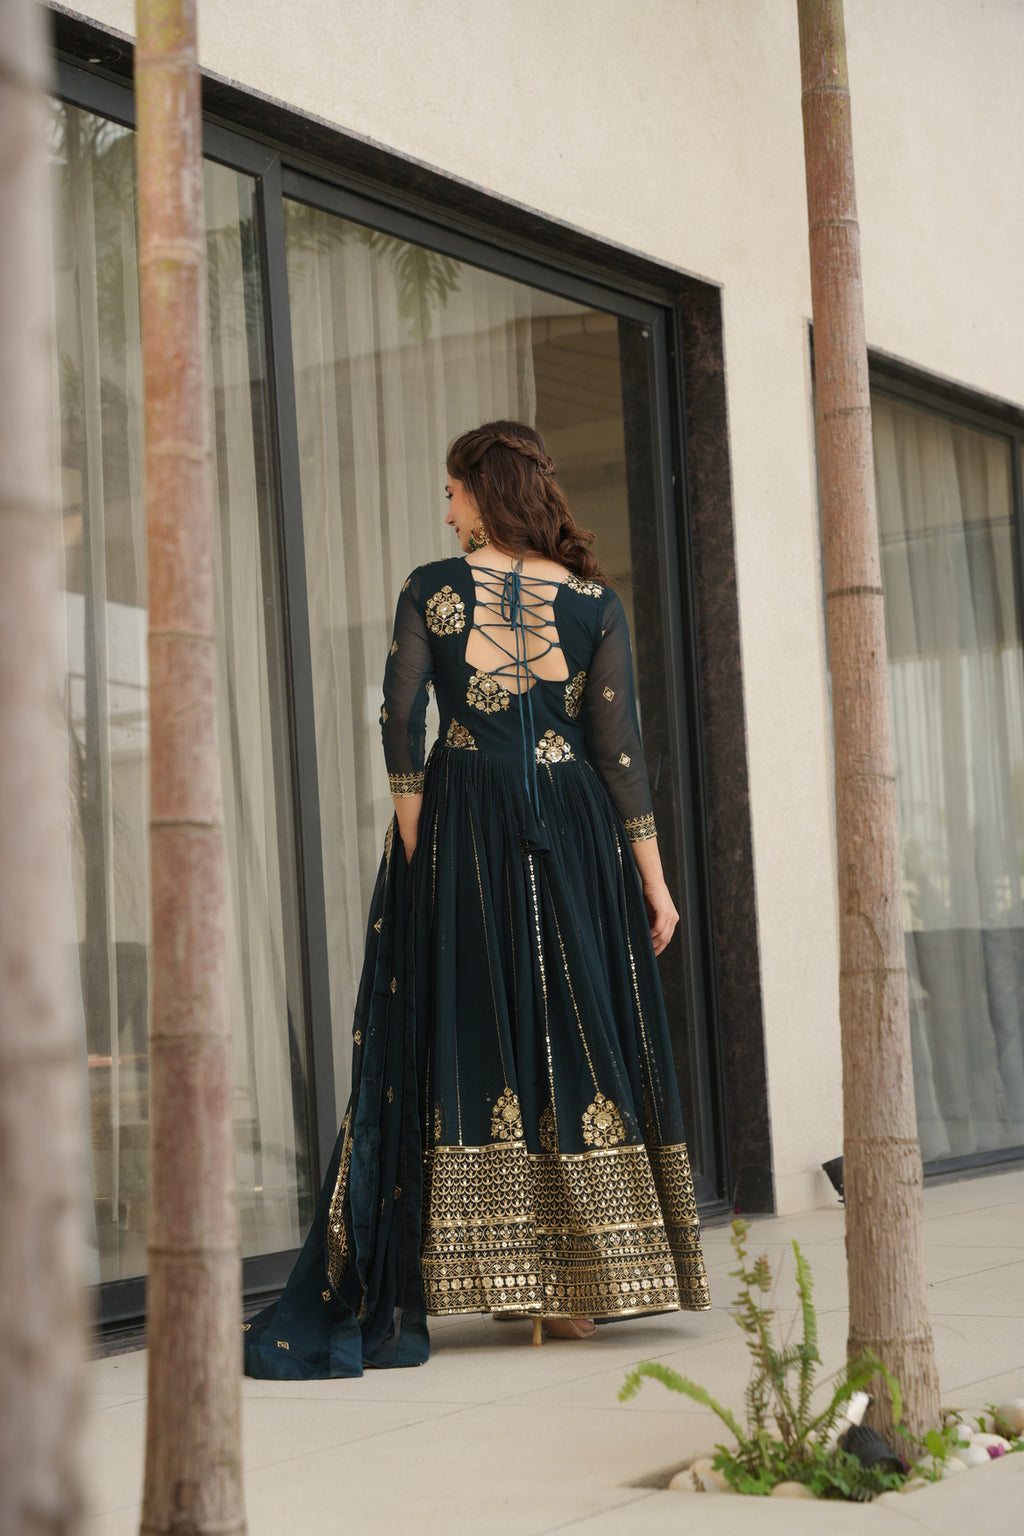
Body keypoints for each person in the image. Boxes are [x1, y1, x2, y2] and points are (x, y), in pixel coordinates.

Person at [244, 420, 710, 1378]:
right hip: (577, 826)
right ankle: (580, 1282)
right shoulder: (594, 602)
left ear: (480, 492)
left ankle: (508, 1273)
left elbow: (399, 716)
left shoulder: (433, 588)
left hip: (466, 822)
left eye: (451, 490)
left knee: (481, 1028)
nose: (443, 506)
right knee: (577, 1020)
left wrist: (418, 838)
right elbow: (619, 754)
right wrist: (655, 884)